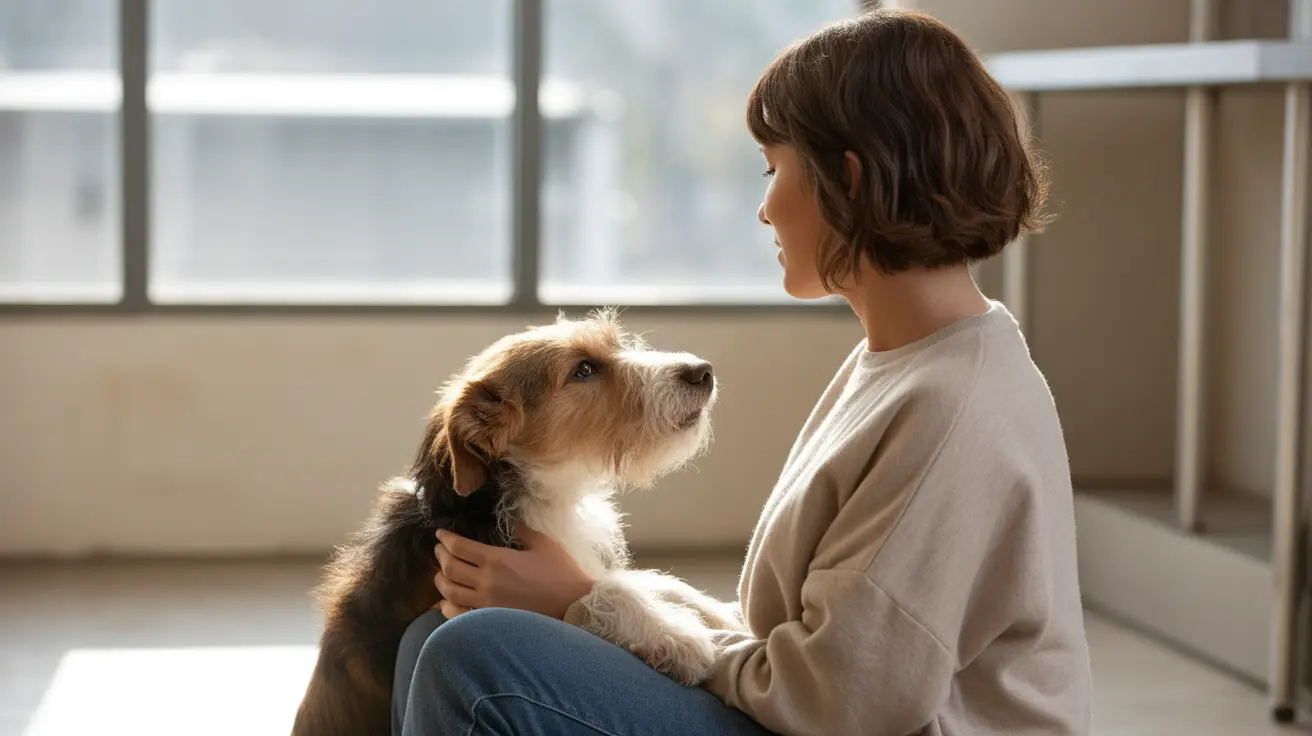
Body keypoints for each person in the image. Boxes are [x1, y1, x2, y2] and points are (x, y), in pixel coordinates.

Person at [392, 7, 1092, 736]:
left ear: (846, 181)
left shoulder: (950, 409)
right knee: (427, 640)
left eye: (775, 169)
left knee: (472, 657)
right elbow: (812, 640)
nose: (763, 209)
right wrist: (597, 603)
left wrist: (581, 602)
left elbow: (844, 702)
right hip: (819, 708)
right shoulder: (905, 365)